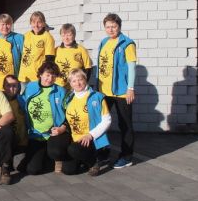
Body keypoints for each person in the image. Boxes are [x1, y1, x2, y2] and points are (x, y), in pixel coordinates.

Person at [96, 13, 137, 169]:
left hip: (121, 92)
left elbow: (132, 68)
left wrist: (130, 88)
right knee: (100, 123)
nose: (110, 29)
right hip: (104, 91)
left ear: (119, 26)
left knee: (125, 124)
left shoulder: (127, 44)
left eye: (113, 26)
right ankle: (103, 154)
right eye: (107, 26)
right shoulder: (104, 42)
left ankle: (127, 157)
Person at [19, 62, 69, 175]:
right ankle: (45, 156)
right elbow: (21, 103)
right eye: (47, 75)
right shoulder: (30, 86)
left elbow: (68, 113)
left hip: (53, 133)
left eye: (53, 76)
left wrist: (62, 128)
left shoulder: (60, 91)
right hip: (35, 134)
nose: (50, 78)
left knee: (55, 151)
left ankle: (56, 157)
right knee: (32, 170)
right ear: (40, 74)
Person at [63, 69, 111, 176]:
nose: (78, 83)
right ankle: (84, 159)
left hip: (91, 139)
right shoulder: (68, 98)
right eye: (74, 81)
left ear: (85, 80)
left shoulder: (97, 96)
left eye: (80, 79)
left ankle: (94, 162)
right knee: (68, 170)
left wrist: (90, 135)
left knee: (74, 149)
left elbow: (107, 120)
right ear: (70, 83)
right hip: (75, 138)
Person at [0, 14, 24, 90]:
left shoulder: (19, 38)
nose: (5, 27)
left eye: (8, 24)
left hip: (12, 84)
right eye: (2, 24)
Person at [18, 11, 56, 86]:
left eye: (39, 22)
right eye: (34, 22)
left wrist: (44, 77)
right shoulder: (25, 36)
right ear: (30, 23)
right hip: (23, 77)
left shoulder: (48, 37)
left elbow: (49, 60)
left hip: (37, 77)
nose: (36, 25)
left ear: (43, 23)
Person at [55, 24, 92, 89]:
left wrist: (83, 84)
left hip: (75, 87)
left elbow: (88, 68)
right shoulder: (56, 50)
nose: (66, 38)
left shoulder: (81, 49)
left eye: (69, 35)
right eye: (63, 35)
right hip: (58, 86)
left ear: (74, 35)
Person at [2, 75, 28, 151]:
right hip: (5, 143)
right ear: (3, 86)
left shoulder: (22, 100)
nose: (11, 88)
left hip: (21, 143)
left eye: (14, 85)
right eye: (8, 85)